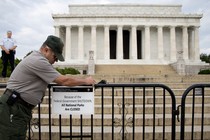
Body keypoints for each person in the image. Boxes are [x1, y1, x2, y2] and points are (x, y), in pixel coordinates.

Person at [0, 35, 95, 140]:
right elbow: (64, 80)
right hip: (14, 107)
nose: (56, 61)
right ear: (46, 50)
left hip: (18, 107)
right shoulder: (38, 61)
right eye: (55, 57)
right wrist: (86, 81)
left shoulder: (37, 58)